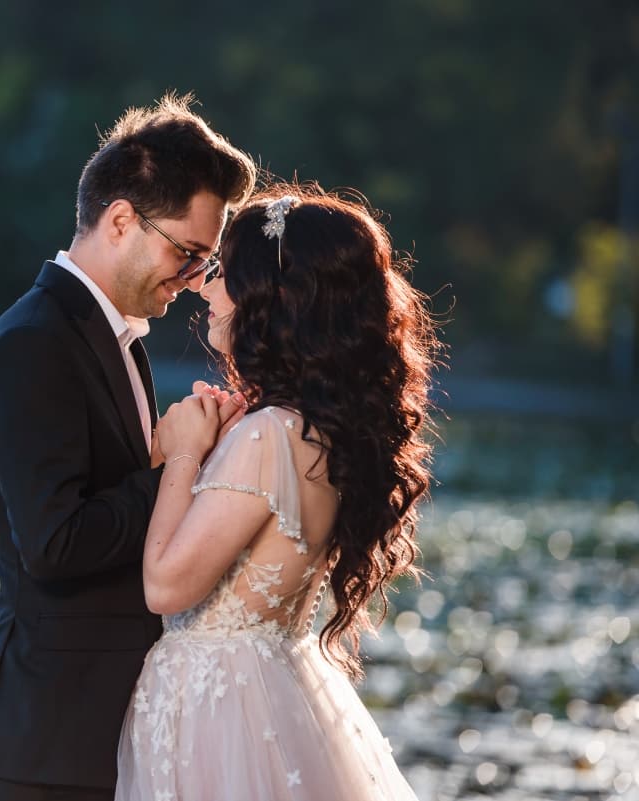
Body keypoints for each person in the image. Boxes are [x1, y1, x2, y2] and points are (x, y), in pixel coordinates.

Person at [0, 94, 257, 800]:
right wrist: (182, 462)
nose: (191, 281)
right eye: (186, 253)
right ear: (121, 220)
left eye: (202, 263)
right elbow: (53, 543)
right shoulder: (36, 340)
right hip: (45, 741)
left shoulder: (114, 338)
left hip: (103, 732)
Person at [116, 186, 438, 800]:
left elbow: (166, 587)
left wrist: (184, 452)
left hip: (220, 713)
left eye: (223, 275)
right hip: (271, 692)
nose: (206, 290)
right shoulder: (317, 430)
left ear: (272, 299)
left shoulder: (268, 434)